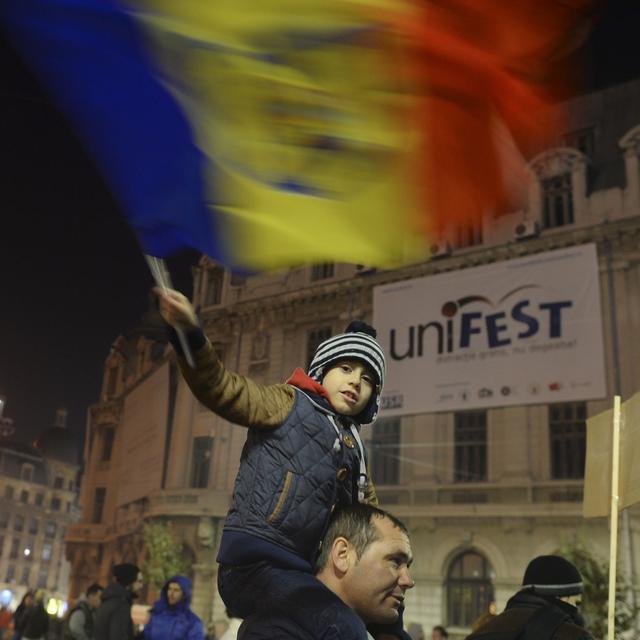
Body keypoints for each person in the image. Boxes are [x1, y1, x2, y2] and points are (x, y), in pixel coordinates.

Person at [156, 289, 388, 639]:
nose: (356, 381)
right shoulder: (287, 402)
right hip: (255, 564)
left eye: (368, 379)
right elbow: (220, 387)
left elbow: (371, 522)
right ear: (322, 371)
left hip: (305, 576)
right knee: (341, 628)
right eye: (346, 368)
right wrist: (190, 333)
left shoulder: (355, 450)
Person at [237, 504, 415, 639]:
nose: (408, 581)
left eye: (408, 566)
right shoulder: (273, 632)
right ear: (342, 555)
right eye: (395, 561)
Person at [464, 555, 594, 640]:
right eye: (576, 603)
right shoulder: (573, 636)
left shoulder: (482, 633)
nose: (576, 609)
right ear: (562, 598)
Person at [143, 575, 204, 640]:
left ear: (184, 594)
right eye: (169, 589)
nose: (171, 593)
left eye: (176, 590)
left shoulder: (193, 622)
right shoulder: (156, 615)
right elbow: (146, 636)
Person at [95, 563, 144, 640]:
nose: (141, 586)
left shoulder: (108, 601)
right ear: (129, 582)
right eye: (139, 581)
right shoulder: (121, 606)